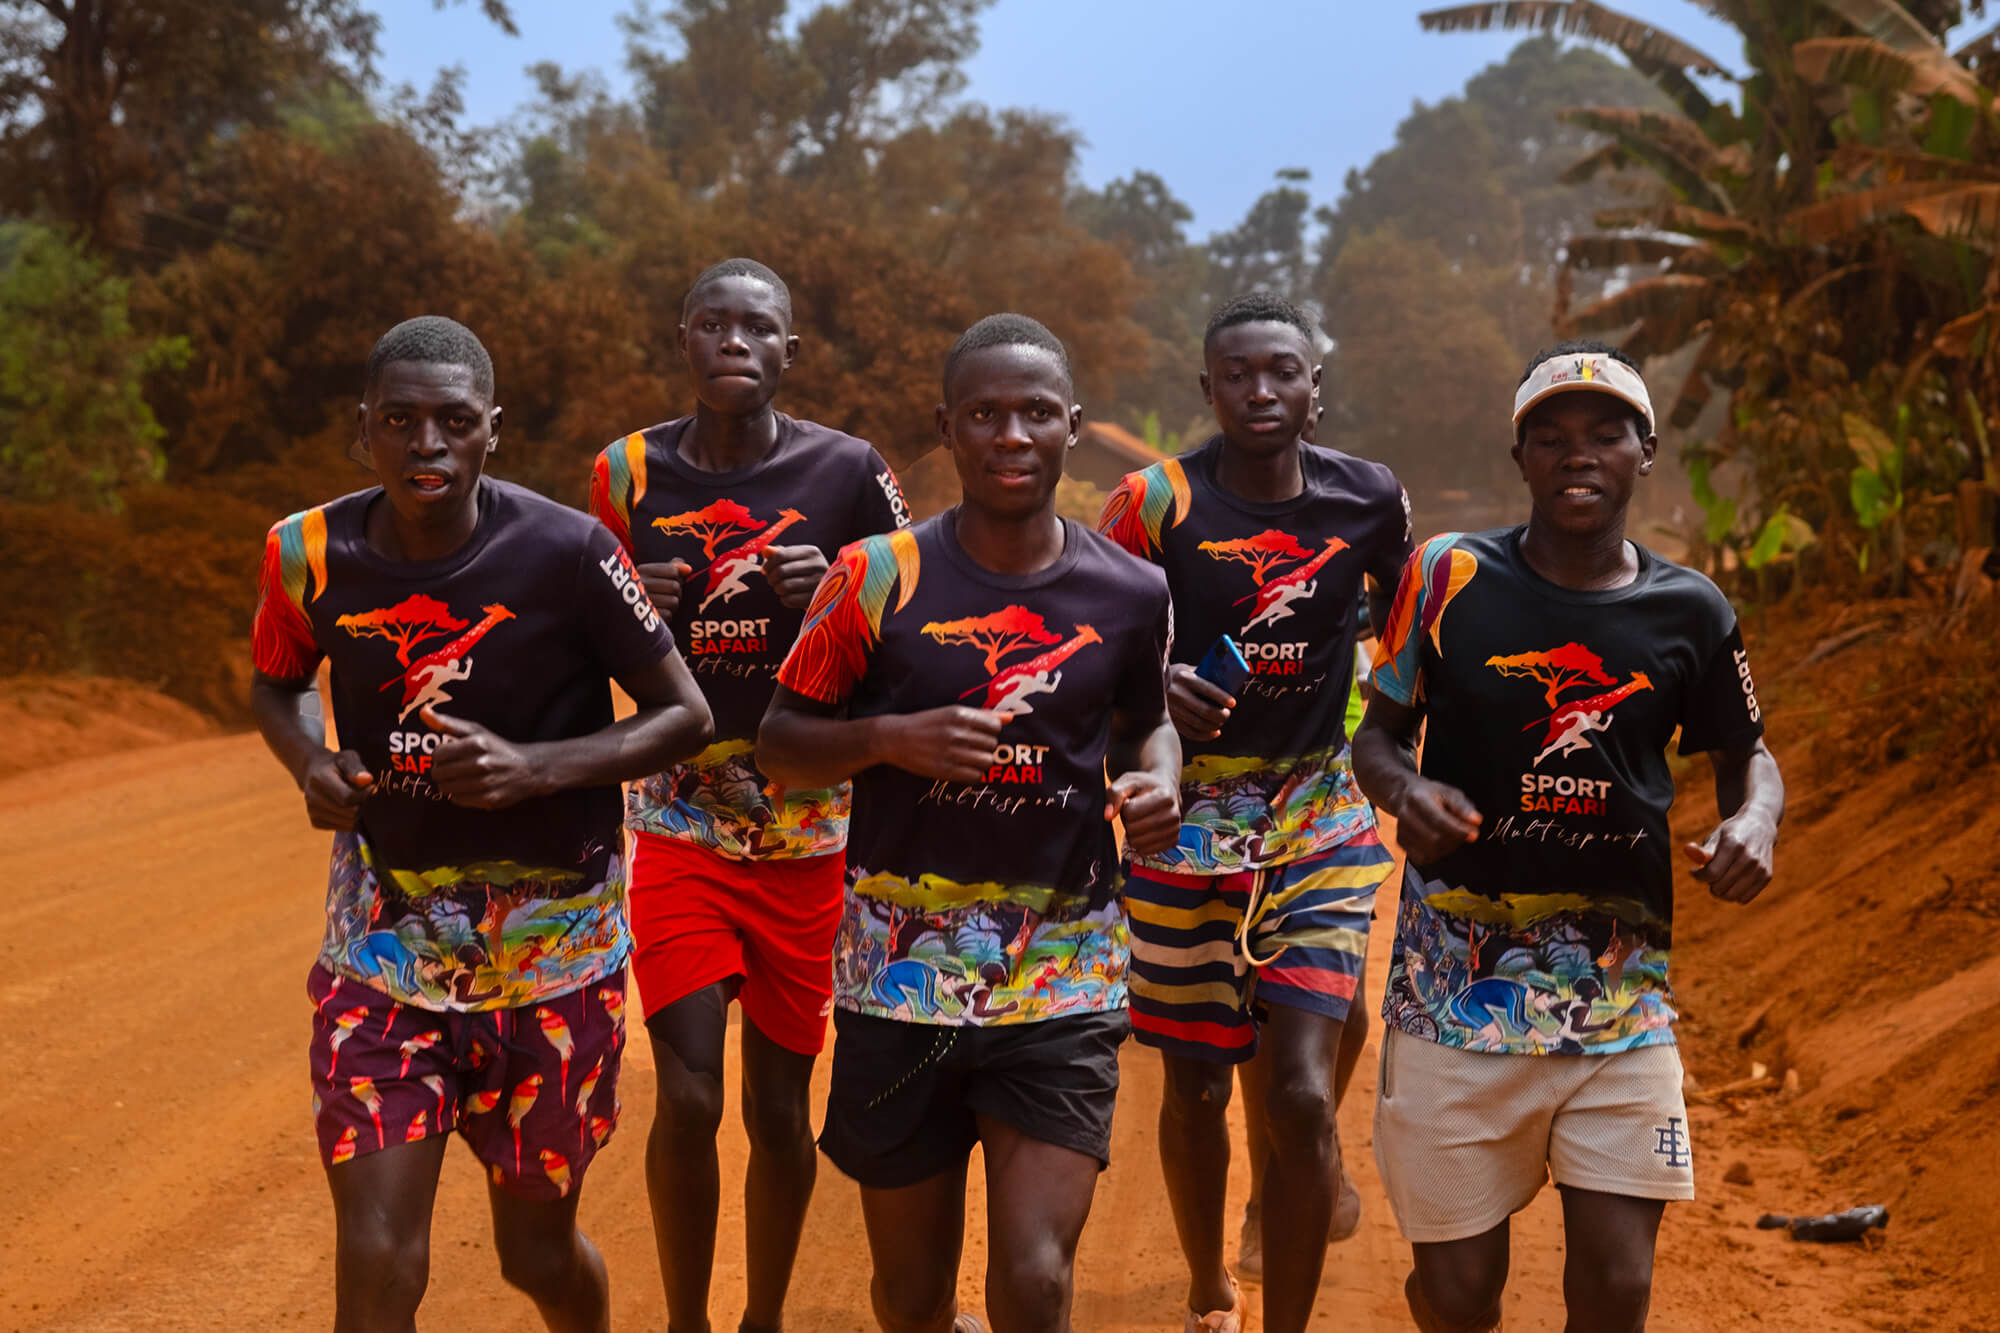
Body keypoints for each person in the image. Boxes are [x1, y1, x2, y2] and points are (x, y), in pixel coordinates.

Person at [250, 316, 714, 1331]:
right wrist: (311, 759)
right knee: (379, 1262)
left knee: (537, 1255)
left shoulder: (570, 552)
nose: (427, 445)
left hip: (555, 964)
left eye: (453, 421)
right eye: (400, 421)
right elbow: (277, 686)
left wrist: (531, 769)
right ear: (360, 429)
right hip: (384, 951)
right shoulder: (306, 552)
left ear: (490, 430)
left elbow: (687, 715)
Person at [758, 313, 1181, 1333]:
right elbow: (779, 741)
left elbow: (1146, 728)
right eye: (984, 413)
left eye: (1035, 411)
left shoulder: (1130, 589)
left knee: (1034, 1281)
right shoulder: (873, 576)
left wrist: (1157, 783)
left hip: (1060, 974)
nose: (1010, 434)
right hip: (894, 980)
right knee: (909, 1298)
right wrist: (889, 738)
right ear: (946, 427)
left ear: (1071, 426)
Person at [1353, 340, 1784, 1333]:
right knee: (1456, 1302)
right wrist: (1401, 791)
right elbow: (1376, 737)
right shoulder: (1448, 577)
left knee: (1616, 1290)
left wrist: (1752, 819)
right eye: (1548, 438)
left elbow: (1745, 755)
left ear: (1644, 451)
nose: (1575, 455)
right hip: (1451, 1000)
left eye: (1602, 435)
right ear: (1520, 460)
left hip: (1619, 1005)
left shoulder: (1691, 609)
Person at [588, 257, 909, 1333]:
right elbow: (590, 645)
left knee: (779, 1111)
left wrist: (834, 599)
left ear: (790, 351)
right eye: (713, 323)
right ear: (682, 339)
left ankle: (761, 1319)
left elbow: (906, 639)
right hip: (677, 822)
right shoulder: (624, 472)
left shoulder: (852, 471)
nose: (735, 341)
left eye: (757, 327)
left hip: (814, 837)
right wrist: (648, 613)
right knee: (686, 1092)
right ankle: (687, 1322)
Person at [1098, 292, 1411, 1333]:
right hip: (1179, 823)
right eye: (1237, 374)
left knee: (1303, 1095)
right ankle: (1205, 1284)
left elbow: (1410, 641)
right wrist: (1157, 684)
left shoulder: (1368, 500)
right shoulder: (1152, 504)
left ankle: (1285, 1238)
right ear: (1205, 390)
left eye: (1281, 371)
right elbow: (1090, 641)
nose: (1260, 390)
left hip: (1316, 814)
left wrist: (1409, 761)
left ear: (1314, 388)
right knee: (1190, 1089)